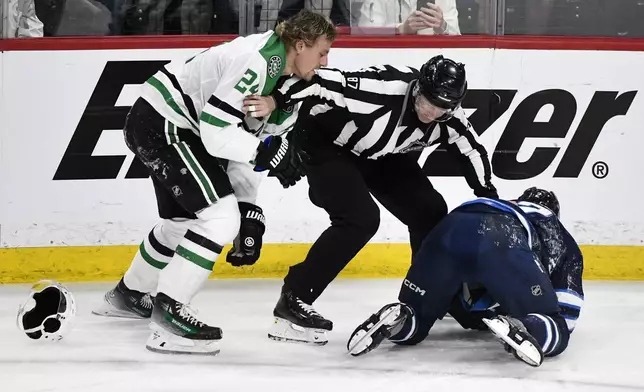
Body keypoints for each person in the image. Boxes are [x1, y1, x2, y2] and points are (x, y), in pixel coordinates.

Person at [91, 9, 336, 355]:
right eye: (322, 52)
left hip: (162, 122)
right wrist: (265, 153)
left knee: (183, 223)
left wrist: (251, 209)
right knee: (220, 218)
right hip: (164, 125)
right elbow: (216, 135)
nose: (325, 62)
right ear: (300, 45)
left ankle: (128, 295)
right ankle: (169, 314)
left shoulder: (285, 80)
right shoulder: (258, 62)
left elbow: (246, 151)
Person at [244, 55, 498, 345]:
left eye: (443, 108)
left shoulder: (448, 115)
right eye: (429, 102)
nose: (433, 112)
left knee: (430, 209)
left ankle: (430, 290)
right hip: (325, 143)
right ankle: (294, 299)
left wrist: (489, 195)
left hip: (378, 153)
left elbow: (470, 151)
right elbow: (318, 81)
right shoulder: (381, 89)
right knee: (360, 219)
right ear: (417, 89)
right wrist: (276, 101)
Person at [346, 188, 584, 367]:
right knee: (557, 328)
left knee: (416, 319)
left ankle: (400, 318)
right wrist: (543, 316)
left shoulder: (502, 203)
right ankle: (528, 327)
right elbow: (567, 305)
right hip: (501, 234)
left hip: (449, 227)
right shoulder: (548, 219)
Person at [356, 0, 460, 35]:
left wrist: (442, 26)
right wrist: (401, 29)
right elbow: (365, 31)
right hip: (390, 61)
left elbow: (457, 35)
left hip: (434, 61)